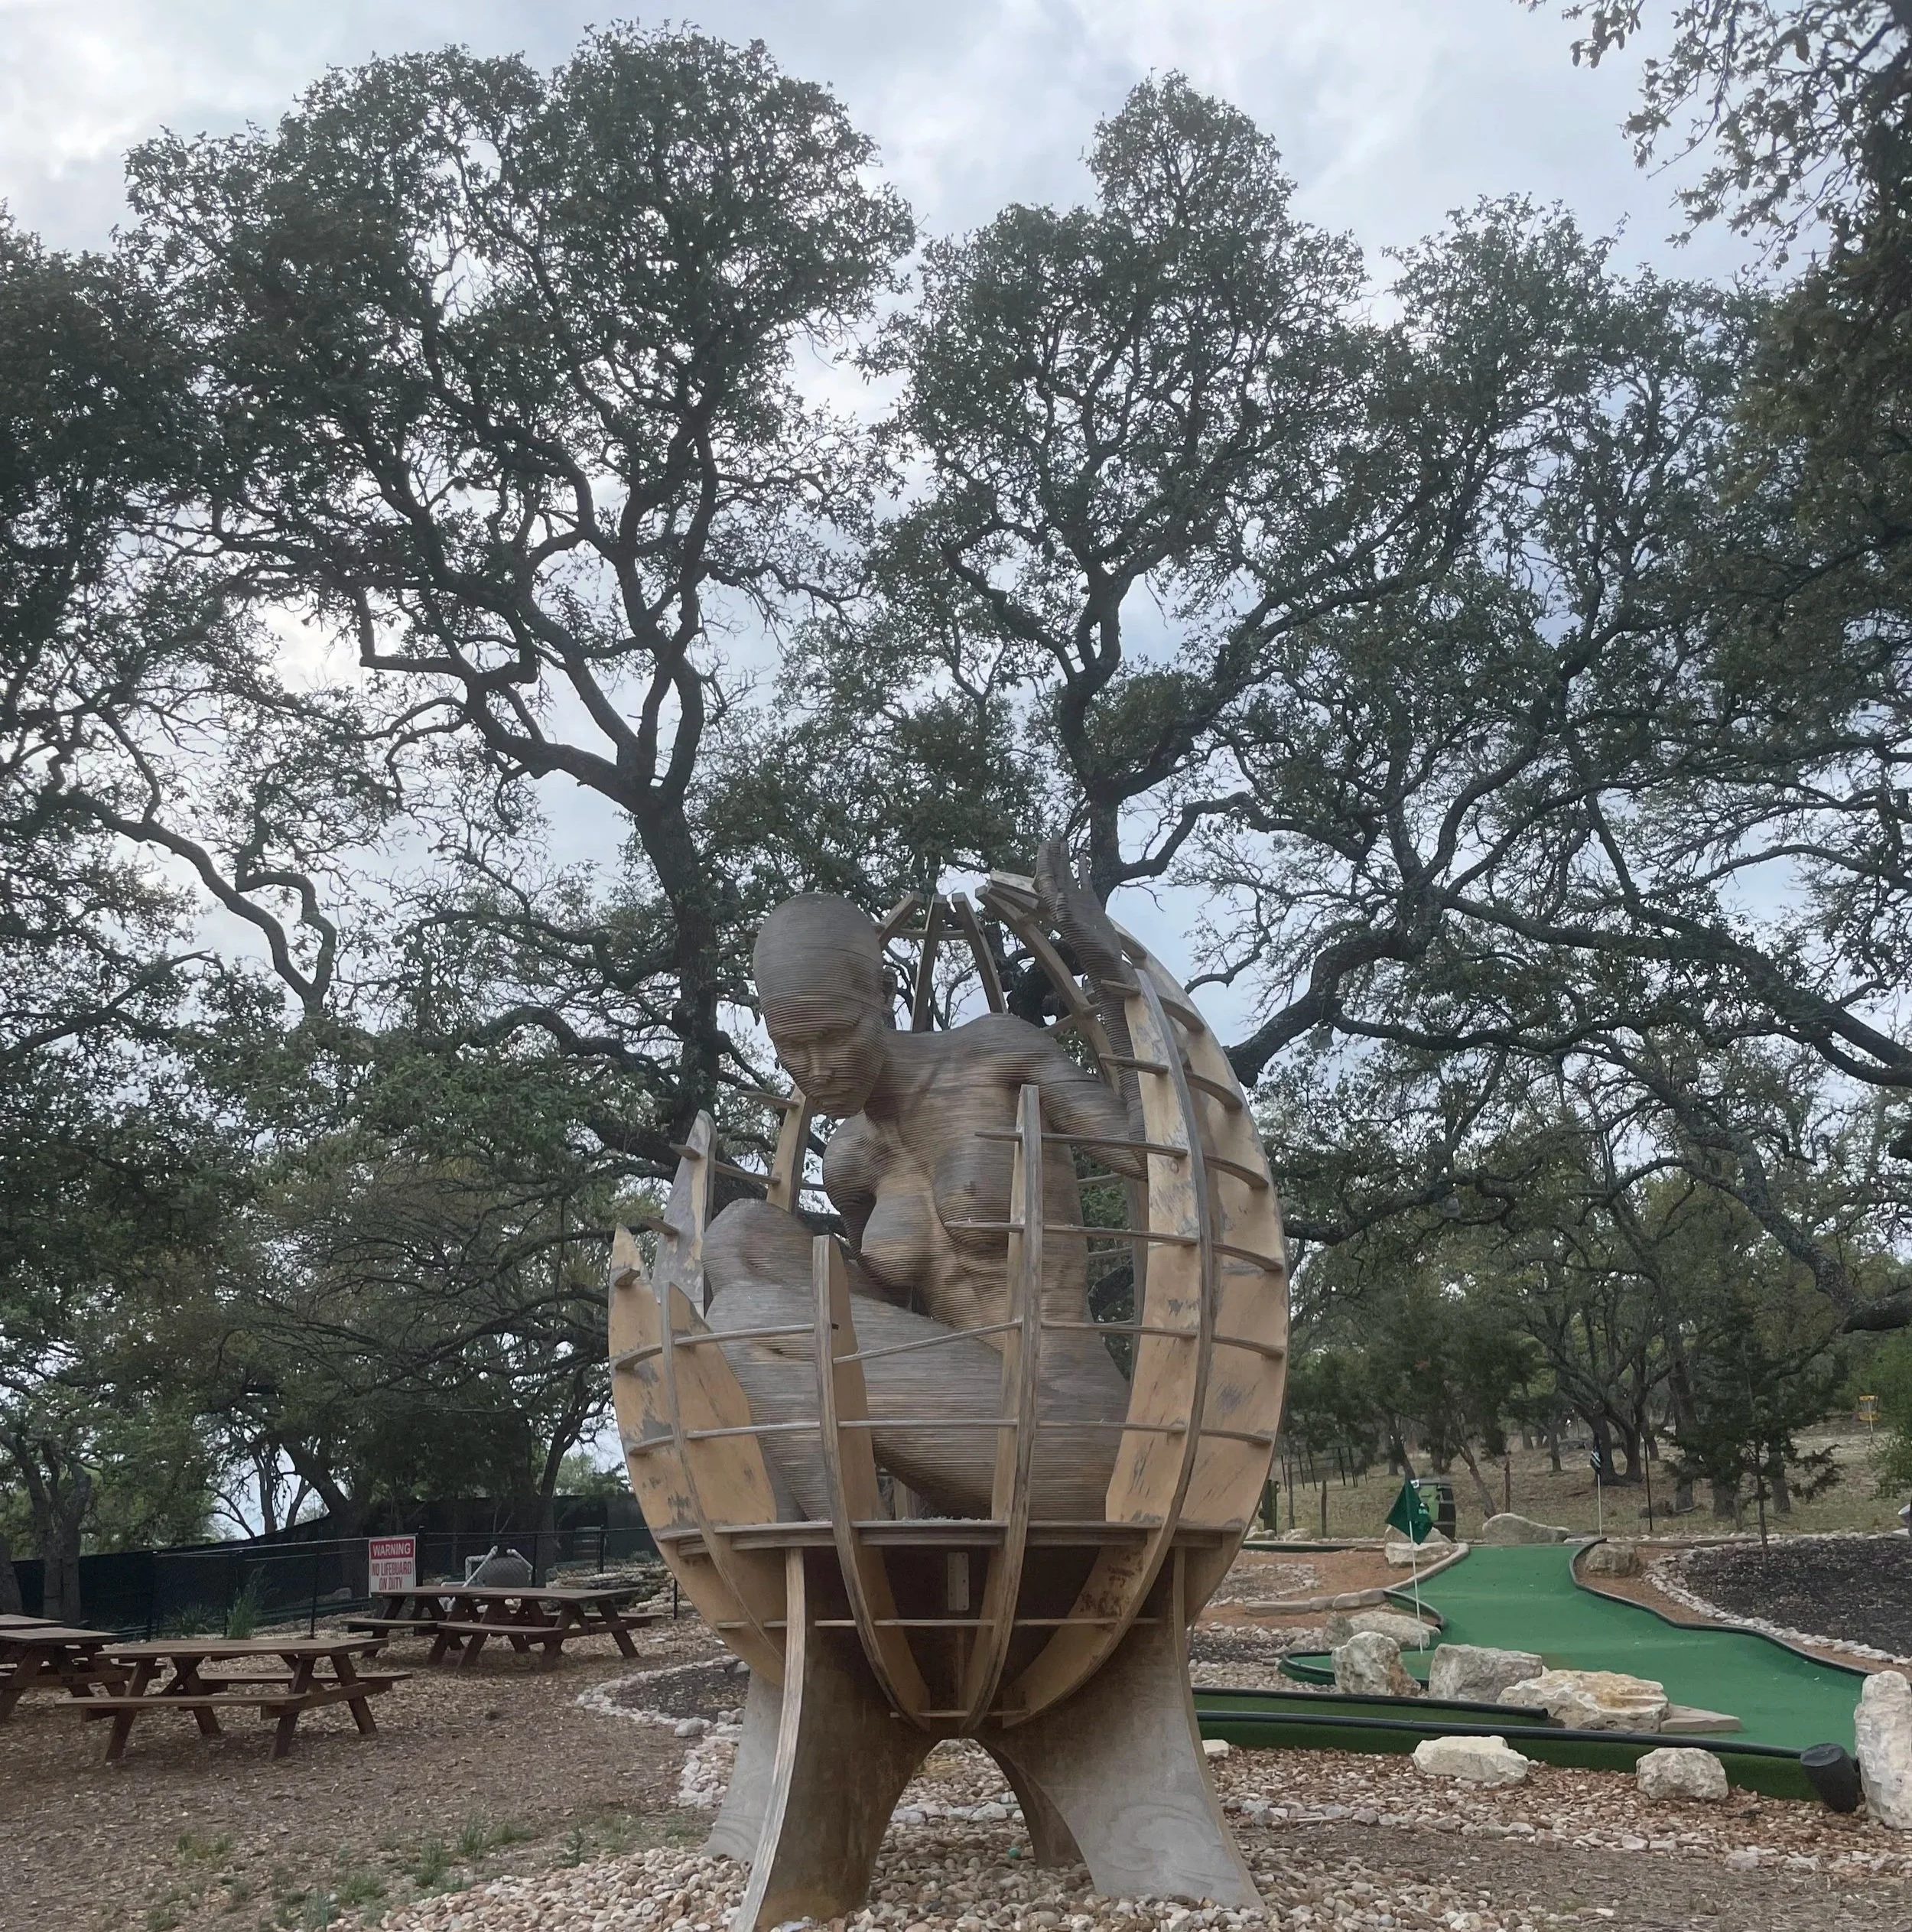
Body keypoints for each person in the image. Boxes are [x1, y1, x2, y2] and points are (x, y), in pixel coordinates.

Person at [701, 893, 1139, 1519]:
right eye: (791, 1047)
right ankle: (842, 1551)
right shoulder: (850, 1159)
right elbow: (880, 1314)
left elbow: (1151, 1153)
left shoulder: (991, 1059)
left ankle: (841, 1562)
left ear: (882, 993)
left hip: (1063, 1420)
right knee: (738, 1234)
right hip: (959, 1432)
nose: (817, 1070)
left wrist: (1109, 973)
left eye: (835, 1035)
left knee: (745, 1316)